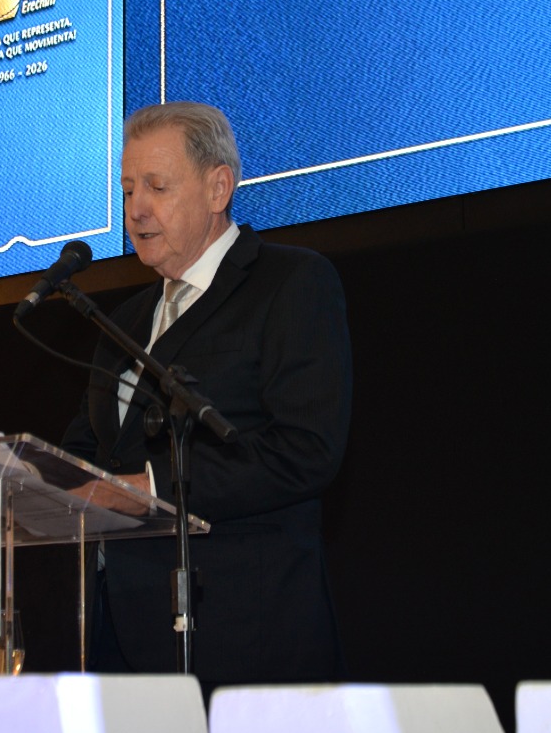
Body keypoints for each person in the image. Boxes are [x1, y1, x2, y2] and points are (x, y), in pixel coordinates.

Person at [60, 101, 352, 691]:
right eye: (128, 189)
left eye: (157, 186)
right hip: (119, 640)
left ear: (219, 188)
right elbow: (88, 451)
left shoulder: (290, 283)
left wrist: (149, 490)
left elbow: (305, 450)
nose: (135, 208)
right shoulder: (124, 319)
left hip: (245, 637)